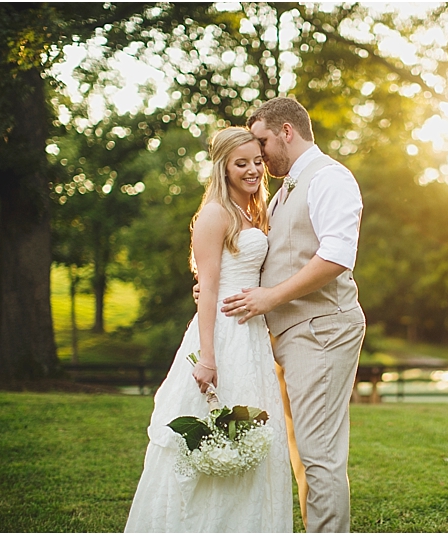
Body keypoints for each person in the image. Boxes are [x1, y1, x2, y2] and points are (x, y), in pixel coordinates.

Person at [197, 97, 366, 532]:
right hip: (285, 337)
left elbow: (335, 257)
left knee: (319, 454)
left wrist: (268, 299)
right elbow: (269, 257)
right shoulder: (281, 192)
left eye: (263, 141)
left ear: (286, 132)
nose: (259, 154)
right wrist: (219, 290)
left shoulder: (329, 178)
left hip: (322, 331)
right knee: (299, 453)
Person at [125, 127, 292, 533]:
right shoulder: (215, 214)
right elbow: (210, 287)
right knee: (211, 433)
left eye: (256, 161)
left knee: (253, 435)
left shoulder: (257, 210)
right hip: (221, 332)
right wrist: (208, 356)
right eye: (241, 164)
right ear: (223, 167)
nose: (253, 170)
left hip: (252, 334)